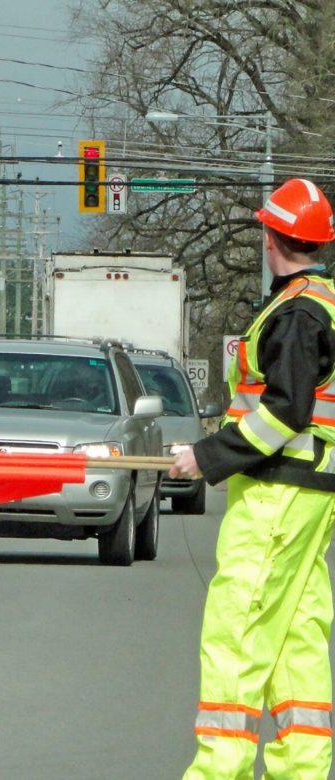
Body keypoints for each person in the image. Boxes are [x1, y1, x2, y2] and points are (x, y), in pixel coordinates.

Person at [171, 178, 335, 779]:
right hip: (310, 495)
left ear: (271, 237)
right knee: (296, 640)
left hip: (277, 495)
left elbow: (286, 409)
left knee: (236, 632)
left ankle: (219, 771)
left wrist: (207, 456)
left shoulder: (296, 312)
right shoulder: (323, 301)